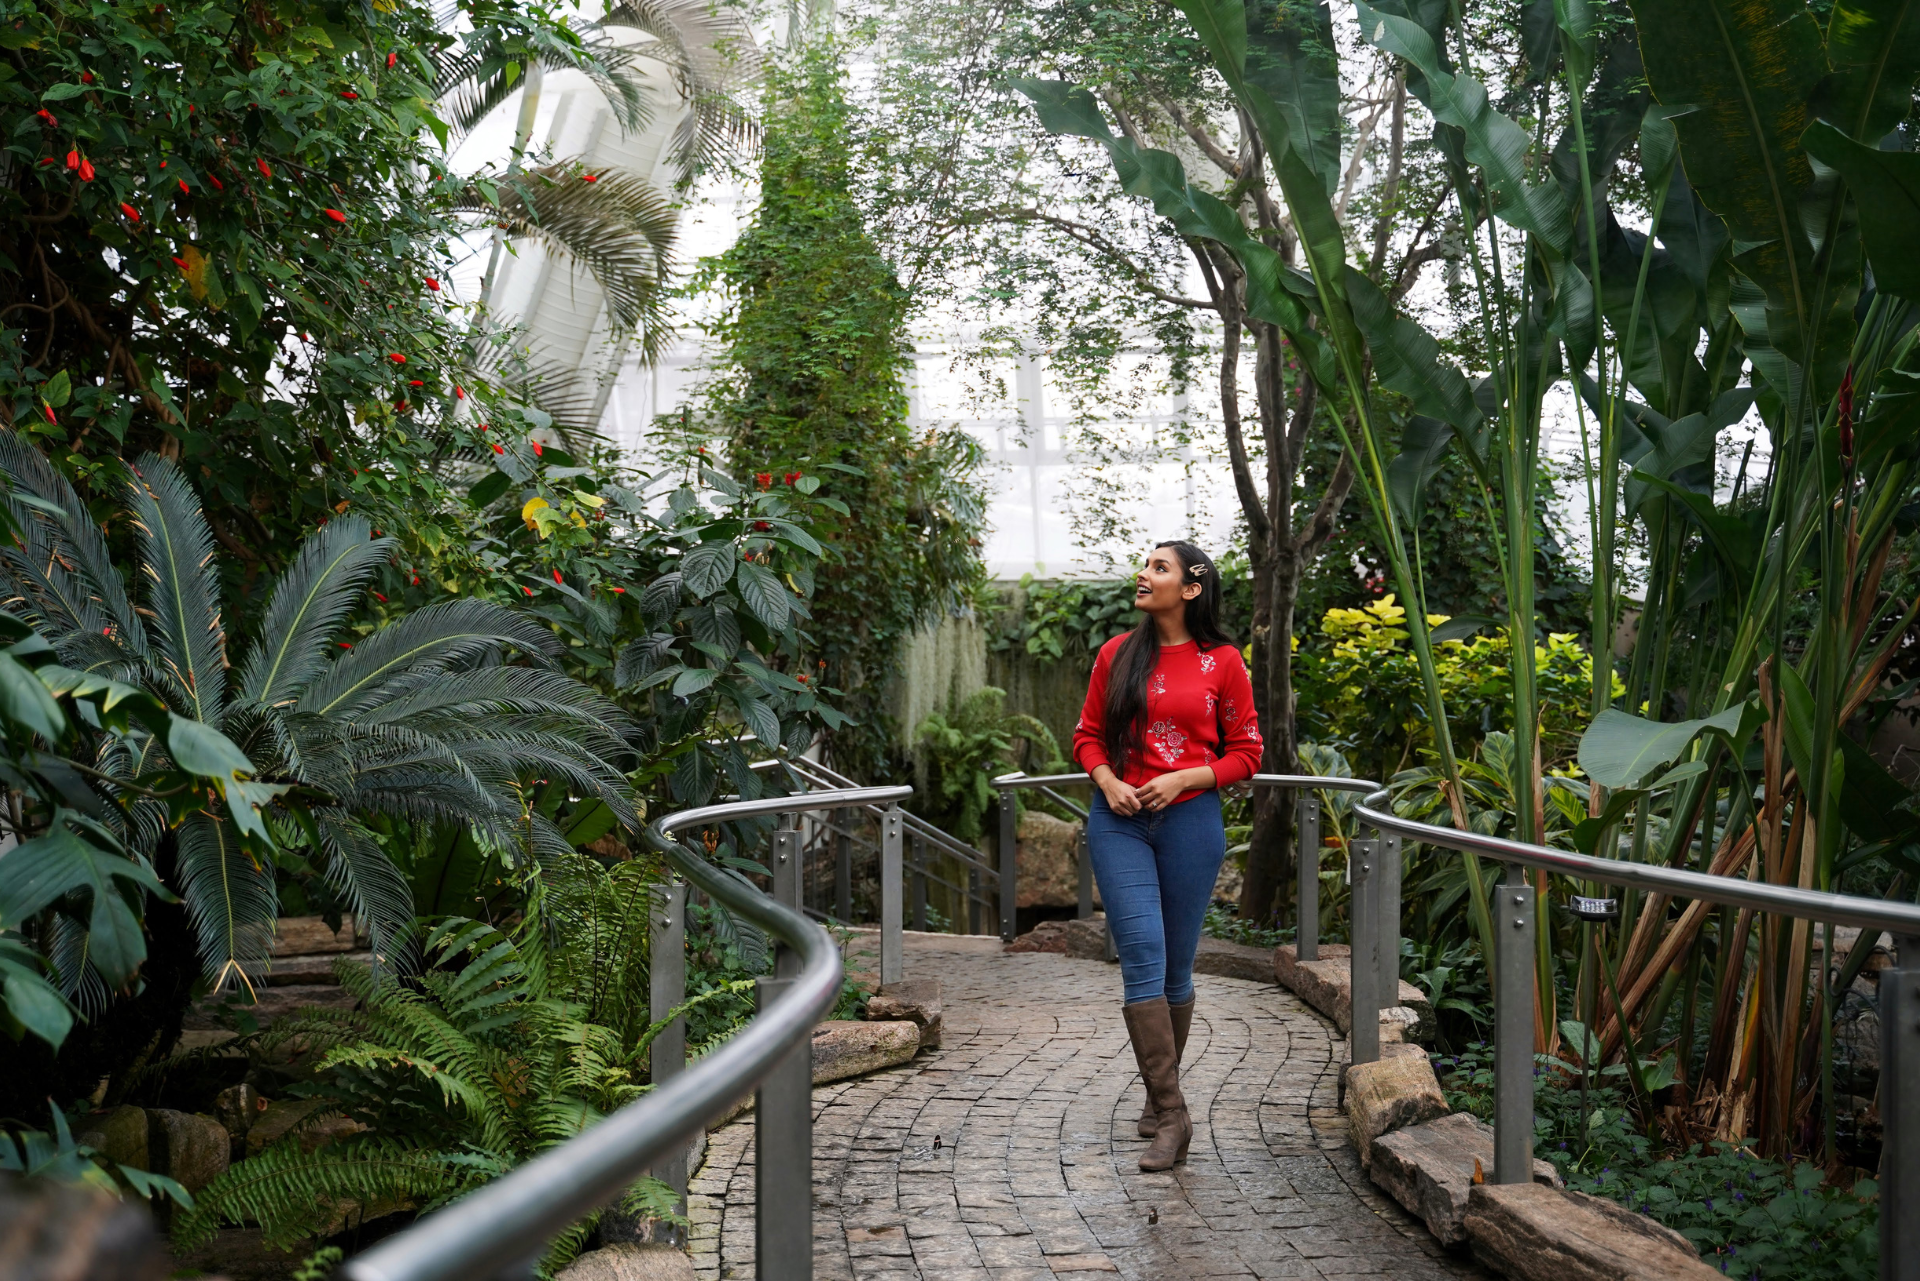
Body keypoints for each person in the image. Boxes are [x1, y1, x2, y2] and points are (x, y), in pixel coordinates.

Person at [1071, 540, 1262, 1171]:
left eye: (1159, 567)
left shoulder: (1224, 662)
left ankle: (1156, 1101)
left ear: (1191, 588)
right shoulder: (1117, 655)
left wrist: (1186, 778)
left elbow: (1248, 752)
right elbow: (1087, 737)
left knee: (1177, 970)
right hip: (1119, 823)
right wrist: (1108, 781)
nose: (1143, 574)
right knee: (1142, 961)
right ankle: (1174, 1115)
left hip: (1191, 824)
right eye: (1144, 564)